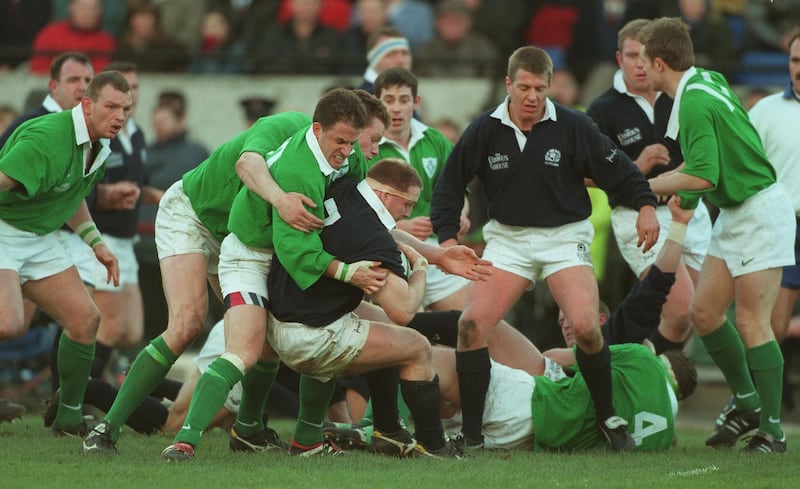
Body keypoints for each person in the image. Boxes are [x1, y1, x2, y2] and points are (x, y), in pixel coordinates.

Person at [330, 196, 698, 451]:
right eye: (563, 317)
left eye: (573, 317)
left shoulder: (627, 351)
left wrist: (678, 226)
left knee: (428, 349)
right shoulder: (661, 429)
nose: (569, 323)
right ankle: (385, 407)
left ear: (602, 319)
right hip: (526, 422)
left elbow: (652, 291)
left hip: (533, 392)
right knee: (448, 355)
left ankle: (363, 338)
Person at [431, 45, 659, 451]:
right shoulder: (484, 129)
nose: (532, 96)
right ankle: (471, 435)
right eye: (524, 87)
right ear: (509, 85)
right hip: (508, 241)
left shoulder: (575, 126)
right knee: (470, 326)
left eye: (540, 88)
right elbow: (449, 186)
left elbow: (619, 170)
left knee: (588, 326)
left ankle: (608, 416)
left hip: (563, 237)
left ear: (550, 86)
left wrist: (645, 206)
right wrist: (448, 241)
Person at [640, 16, 795, 454]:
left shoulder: (690, 102)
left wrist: (644, 188)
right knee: (704, 312)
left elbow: (703, 175)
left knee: (751, 322)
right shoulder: (705, 78)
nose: (640, 70)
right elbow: (707, 160)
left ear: (658, 63)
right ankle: (746, 402)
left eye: (644, 61)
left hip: (760, 211)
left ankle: (772, 430)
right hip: (736, 210)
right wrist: (683, 210)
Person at [265, 158, 464, 458]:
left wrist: (434, 253)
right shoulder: (372, 237)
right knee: (418, 346)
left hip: (279, 318)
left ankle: (388, 432)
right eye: (407, 203)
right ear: (385, 195)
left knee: (387, 336)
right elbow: (405, 310)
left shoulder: (341, 189)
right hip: (312, 336)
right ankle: (434, 445)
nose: (409, 212)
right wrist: (421, 267)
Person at [0, 71, 131, 436]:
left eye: (126, 108)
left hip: (40, 239)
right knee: (8, 324)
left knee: (85, 320)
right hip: (3, 230)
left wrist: (97, 243)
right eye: (111, 107)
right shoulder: (47, 138)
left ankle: (69, 419)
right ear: (86, 105)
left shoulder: (100, 145)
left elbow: (70, 197)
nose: (119, 116)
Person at [586, 18, 712, 355]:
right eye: (631, 56)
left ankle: (653, 377)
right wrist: (632, 168)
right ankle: (644, 379)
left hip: (689, 210)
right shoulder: (602, 109)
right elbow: (580, 172)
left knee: (695, 314)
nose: (639, 64)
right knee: (680, 307)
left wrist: (688, 170)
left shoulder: (678, 95)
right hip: (638, 215)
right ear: (618, 59)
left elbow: (706, 151)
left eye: (645, 56)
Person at [374, 67, 470, 311]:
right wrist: (399, 228)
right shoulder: (367, 146)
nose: (396, 108)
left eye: (404, 100)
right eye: (389, 100)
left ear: (416, 102)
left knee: (471, 321)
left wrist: (460, 214)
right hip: (390, 251)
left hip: (436, 251)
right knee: (411, 334)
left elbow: (458, 192)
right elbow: (356, 208)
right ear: (377, 102)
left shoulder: (436, 140)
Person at [747, 28, 800, 343]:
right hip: (783, 230)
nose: (799, 68)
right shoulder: (765, 111)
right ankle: (758, 394)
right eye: (795, 60)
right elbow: (742, 168)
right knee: (772, 331)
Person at [29, 0, 116, 75]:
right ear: (71, 8)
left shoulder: (106, 40)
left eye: (93, 8)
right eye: (82, 7)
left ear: (100, 11)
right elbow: (38, 69)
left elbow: (101, 74)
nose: (88, 13)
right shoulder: (50, 34)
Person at [358, 26, 412, 94]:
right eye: (391, 54)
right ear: (374, 60)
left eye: (405, 53)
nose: (401, 61)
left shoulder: (409, 94)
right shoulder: (364, 100)